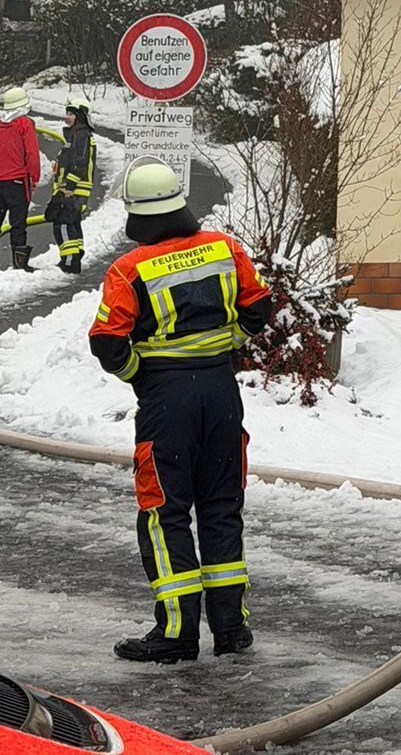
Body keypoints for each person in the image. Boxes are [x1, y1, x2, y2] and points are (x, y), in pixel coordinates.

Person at [89, 162, 274, 663]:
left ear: (137, 216)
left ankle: (176, 632)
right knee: (221, 508)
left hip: (167, 402)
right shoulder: (224, 248)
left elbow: (107, 342)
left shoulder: (129, 270)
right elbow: (259, 307)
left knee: (164, 511)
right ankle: (231, 630)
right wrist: (227, 347)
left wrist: (139, 374)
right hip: (220, 393)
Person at [0, 86, 42, 271]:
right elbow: (32, 153)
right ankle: (20, 264)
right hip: (17, 181)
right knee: (18, 223)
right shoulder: (24, 124)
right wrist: (34, 178)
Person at [46, 89, 97, 274]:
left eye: (70, 114)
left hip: (74, 190)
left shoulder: (81, 135)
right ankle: (75, 257)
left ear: (80, 116)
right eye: (66, 113)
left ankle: (69, 261)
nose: (67, 118)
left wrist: (69, 186)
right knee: (72, 222)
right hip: (76, 189)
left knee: (63, 223)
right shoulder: (78, 134)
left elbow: (79, 162)